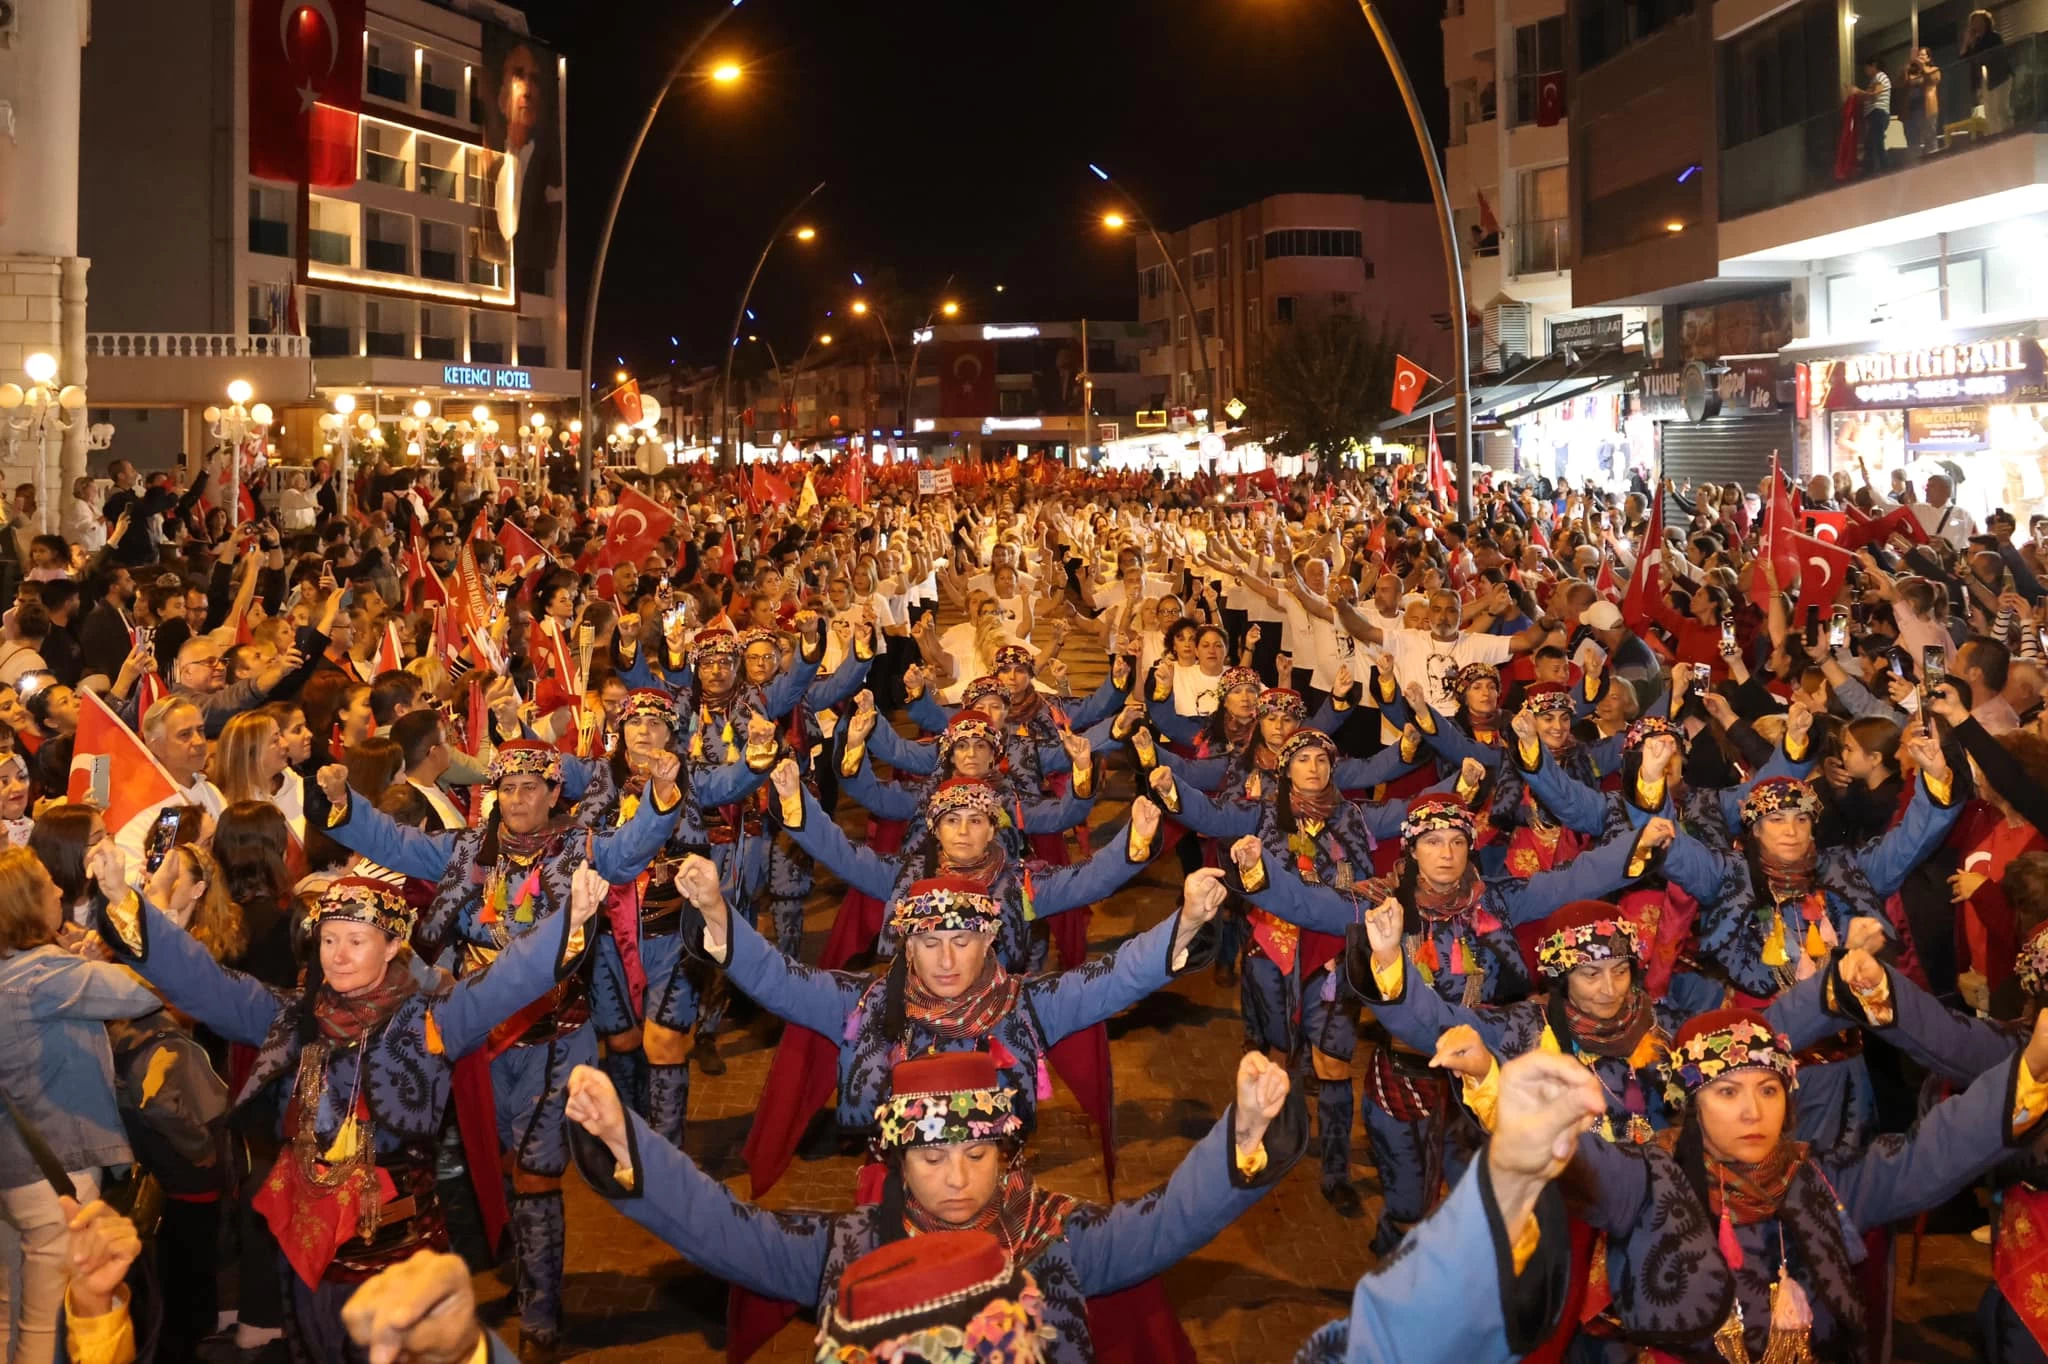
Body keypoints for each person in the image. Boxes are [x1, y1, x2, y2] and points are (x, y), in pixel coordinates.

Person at [563, 1047, 1301, 1362]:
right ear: (892, 1160)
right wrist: (632, 1152)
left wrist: (1242, 1134)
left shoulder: (1057, 1236)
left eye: (978, 1156)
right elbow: (726, 1231)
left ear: (1007, 1153)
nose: (957, 1179)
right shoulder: (851, 1247)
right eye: (932, 1156)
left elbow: (1168, 1221)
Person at [0, 845, 161, 1364]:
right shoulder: (45, 975)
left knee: (10, 1316)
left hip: (13, 1171)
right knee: (50, 1330)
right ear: (25, 903)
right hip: (56, 1174)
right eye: (46, 883)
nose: (59, 891)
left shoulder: (21, 972)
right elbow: (146, 991)